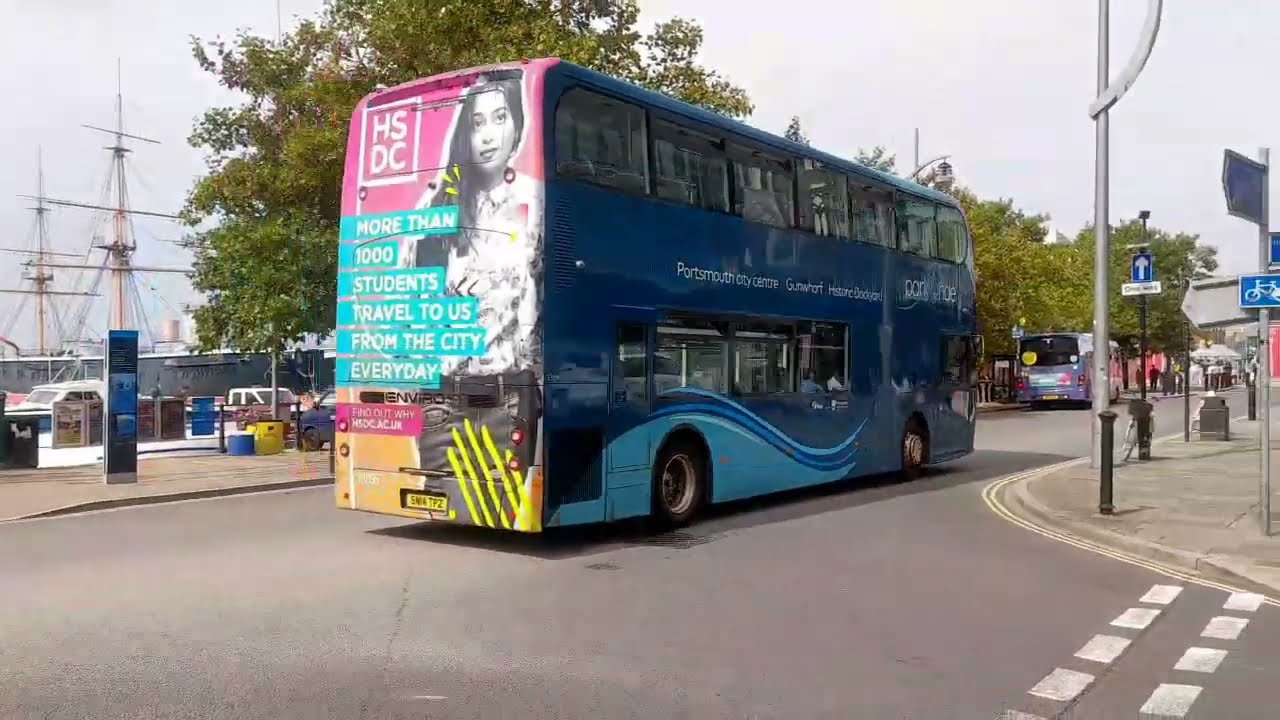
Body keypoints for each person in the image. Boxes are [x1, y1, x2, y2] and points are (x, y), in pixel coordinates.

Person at [414, 70, 542, 377]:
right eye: (477, 123)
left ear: (518, 123)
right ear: (466, 135)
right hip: (450, 377)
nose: (488, 136)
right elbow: (423, 310)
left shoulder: (534, 198)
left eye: (500, 118)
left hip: (510, 377)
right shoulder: (442, 209)